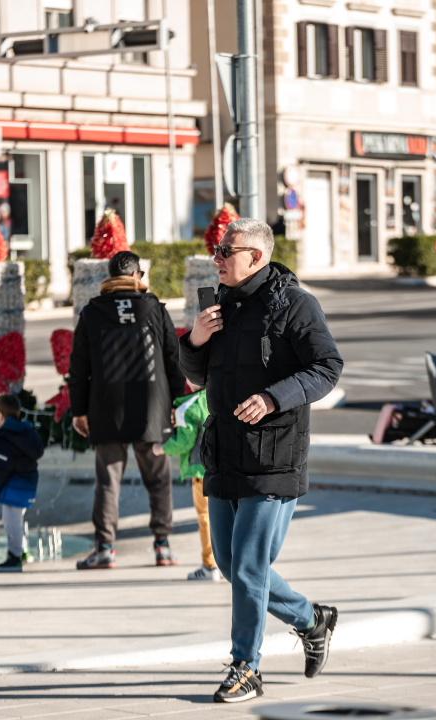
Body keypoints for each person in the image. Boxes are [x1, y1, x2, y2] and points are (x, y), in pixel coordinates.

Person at [179, 218, 344, 703]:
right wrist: (194, 342)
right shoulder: (217, 305)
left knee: (250, 566)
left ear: (256, 255)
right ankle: (312, 620)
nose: (217, 258)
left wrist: (274, 398)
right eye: (216, 250)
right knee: (233, 566)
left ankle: (246, 667)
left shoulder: (295, 304)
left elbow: (328, 367)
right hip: (225, 452)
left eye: (226, 251)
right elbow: (197, 377)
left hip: (274, 454)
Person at [68, 250, 187, 569]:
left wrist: (78, 410)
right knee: (159, 480)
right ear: (137, 276)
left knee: (108, 482)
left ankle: (104, 548)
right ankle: (162, 546)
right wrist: (178, 403)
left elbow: (78, 367)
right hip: (153, 410)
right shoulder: (154, 309)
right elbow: (173, 361)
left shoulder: (92, 312)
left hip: (106, 410)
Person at [162, 382, 220, 581]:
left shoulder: (187, 407)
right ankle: (227, 563)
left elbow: (183, 442)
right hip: (223, 469)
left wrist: (161, 448)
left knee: (205, 518)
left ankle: (209, 565)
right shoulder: (221, 396)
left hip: (200, 470)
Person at [0, 393, 44, 572]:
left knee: (10, 521)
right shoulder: (28, 433)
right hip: (27, 484)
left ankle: (14, 557)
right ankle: (22, 551)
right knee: (17, 519)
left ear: (0, 416)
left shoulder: (4, 439)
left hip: (13, 486)